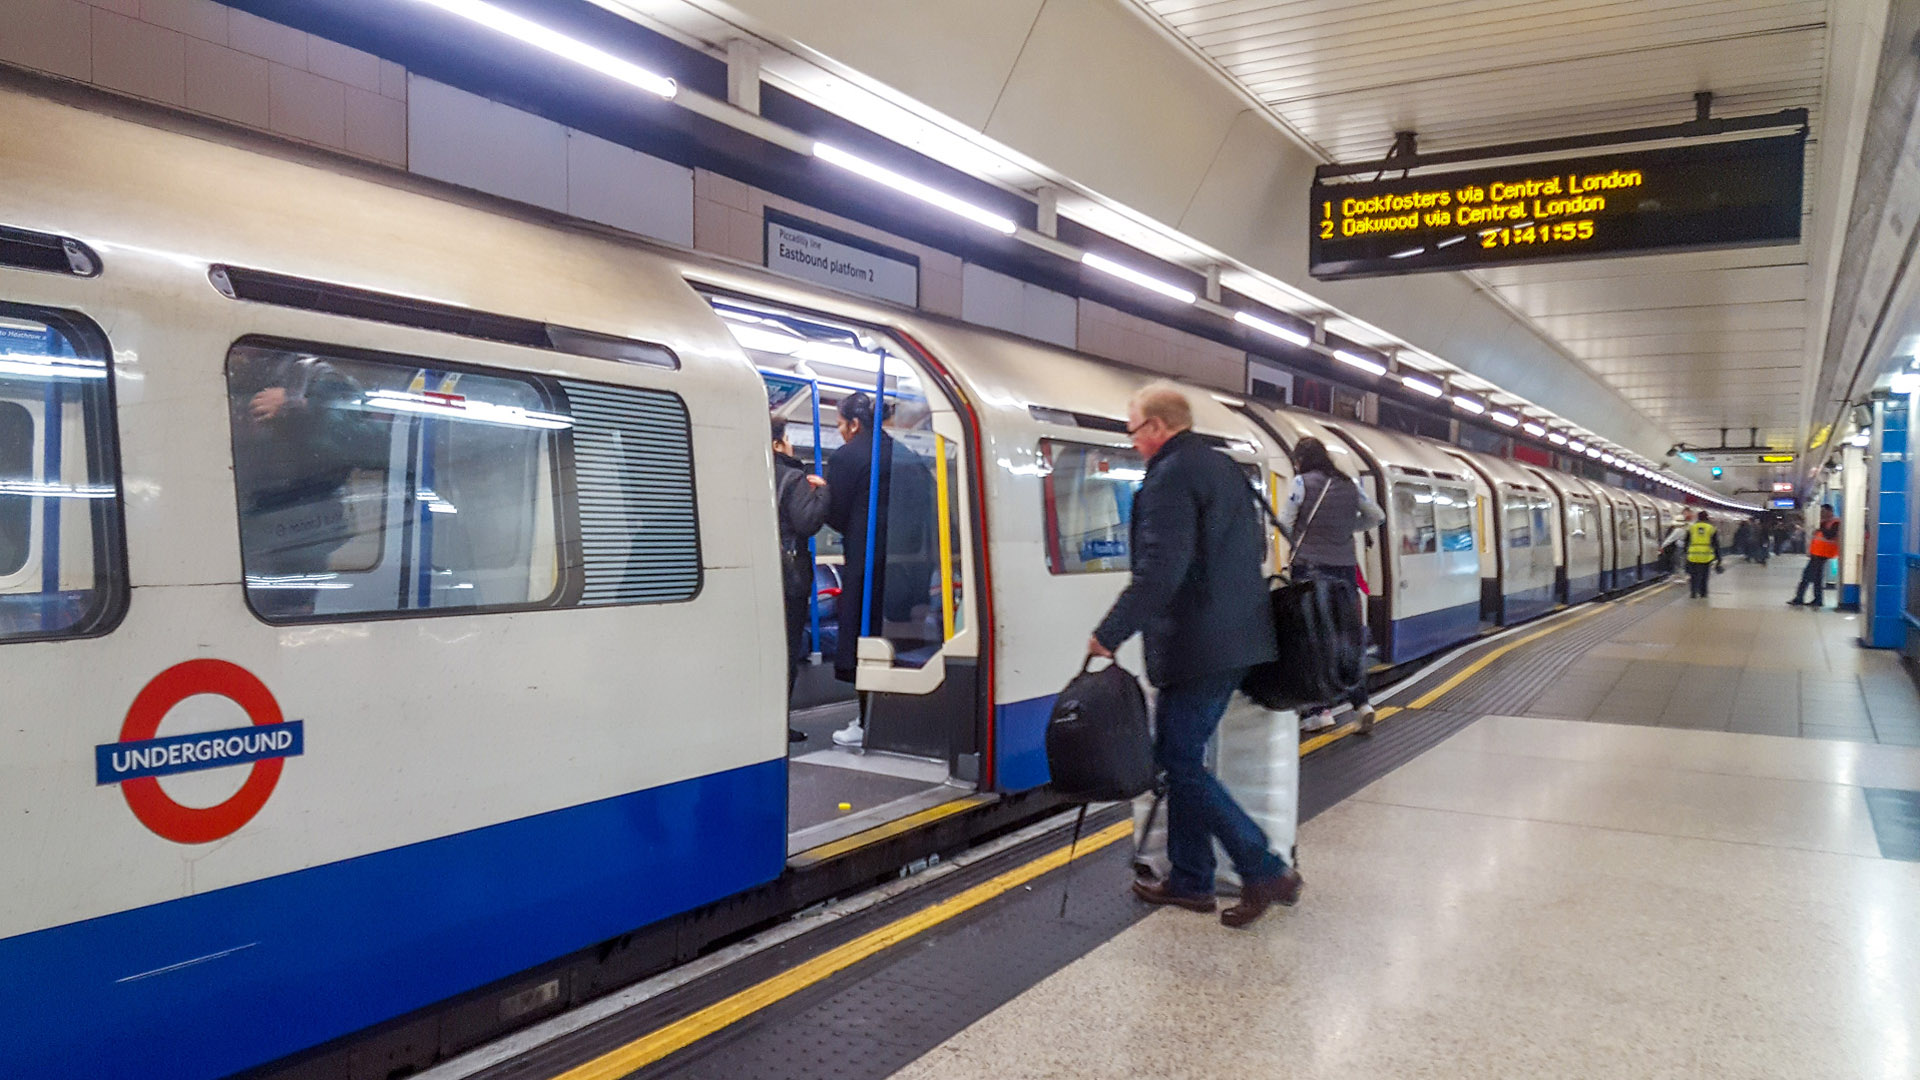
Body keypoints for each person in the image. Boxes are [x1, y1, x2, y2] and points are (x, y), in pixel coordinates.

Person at [1088, 383, 1301, 928]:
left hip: (1200, 643)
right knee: (1181, 759)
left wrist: (1110, 632)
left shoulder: (1170, 477)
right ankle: (1191, 880)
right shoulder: (1220, 466)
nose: (1133, 442)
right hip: (1234, 636)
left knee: (1179, 761)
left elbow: (1160, 570)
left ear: (1157, 427)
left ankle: (1263, 867)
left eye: (1133, 430)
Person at [228, 350, 387, 618]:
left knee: (282, 618)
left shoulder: (315, 375)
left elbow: (369, 443)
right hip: (243, 522)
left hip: (299, 526)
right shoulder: (232, 373)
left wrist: (297, 407)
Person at [822, 392, 935, 748]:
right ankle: (898, 717)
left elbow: (833, 512)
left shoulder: (848, 457)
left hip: (866, 565)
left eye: (841, 424)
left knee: (865, 640)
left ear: (855, 424)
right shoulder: (909, 457)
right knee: (898, 641)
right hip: (910, 569)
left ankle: (867, 721)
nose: (840, 431)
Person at [1279, 436, 1386, 735]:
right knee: (1345, 637)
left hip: (1311, 571)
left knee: (1312, 639)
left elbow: (1284, 522)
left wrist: (1307, 534)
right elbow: (1377, 516)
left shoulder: (1301, 483)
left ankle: (1318, 710)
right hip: (1345, 570)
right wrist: (1345, 529)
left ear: (1300, 460)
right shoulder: (1350, 485)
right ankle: (1362, 703)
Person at [773, 418, 829, 742]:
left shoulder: (740, 471)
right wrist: (822, 493)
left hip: (751, 578)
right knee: (786, 651)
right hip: (787, 577)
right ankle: (778, 725)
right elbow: (806, 524)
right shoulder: (792, 476)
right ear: (778, 443)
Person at [1789, 505, 1841, 608]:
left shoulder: (1835, 523)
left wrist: (1821, 529)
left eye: (1824, 511)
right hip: (1817, 553)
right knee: (1817, 578)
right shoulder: (1824, 523)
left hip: (1823, 553)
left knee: (1806, 576)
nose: (1822, 513)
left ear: (1830, 511)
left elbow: (1829, 535)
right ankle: (1818, 600)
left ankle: (1799, 598)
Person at [1678, 510, 1720, 598]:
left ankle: (1693, 592)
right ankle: (1703, 593)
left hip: (1693, 555)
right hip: (1706, 555)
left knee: (1693, 575)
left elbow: (1686, 541)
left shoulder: (1692, 528)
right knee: (1704, 575)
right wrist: (1718, 557)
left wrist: (1686, 552)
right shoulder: (1711, 528)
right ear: (1707, 518)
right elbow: (1715, 543)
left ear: (1698, 517)